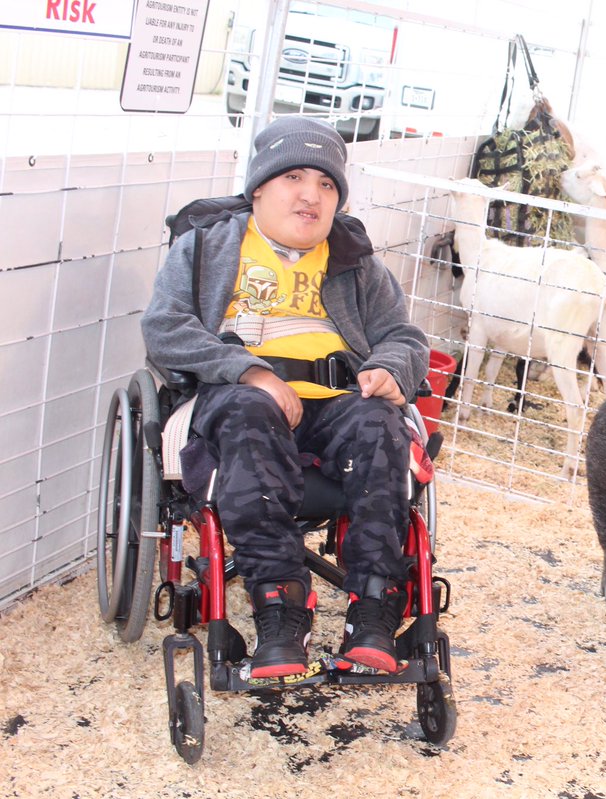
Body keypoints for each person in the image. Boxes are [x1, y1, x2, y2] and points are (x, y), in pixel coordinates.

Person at [141, 117, 430, 678]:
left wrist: (391, 368)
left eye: (326, 184)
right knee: (250, 412)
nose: (310, 195)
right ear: (258, 189)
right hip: (242, 401)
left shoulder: (355, 260)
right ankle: (280, 609)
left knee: (380, 423)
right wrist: (247, 371)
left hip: (338, 402)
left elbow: (403, 336)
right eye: (293, 177)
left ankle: (372, 610)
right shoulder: (208, 246)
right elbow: (165, 327)